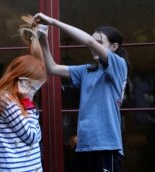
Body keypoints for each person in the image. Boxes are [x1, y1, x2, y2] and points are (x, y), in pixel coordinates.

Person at [33, 13, 130, 172]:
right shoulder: (86, 71)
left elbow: (89, 41)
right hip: (84, 146)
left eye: (100, 43)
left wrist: (53, 22)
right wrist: (43, 38)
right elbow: (52, 68)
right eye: (94, 42)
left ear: (114, 47)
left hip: (107, 147)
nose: (92, 46)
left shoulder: (119, 65)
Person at [0, 15, 47, 172]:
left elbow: (36, 135)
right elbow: (32, 137)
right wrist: (29, 104)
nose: (34, 90)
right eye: (33, 84)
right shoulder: (6, 100)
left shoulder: (18, 100)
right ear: (21, 79)